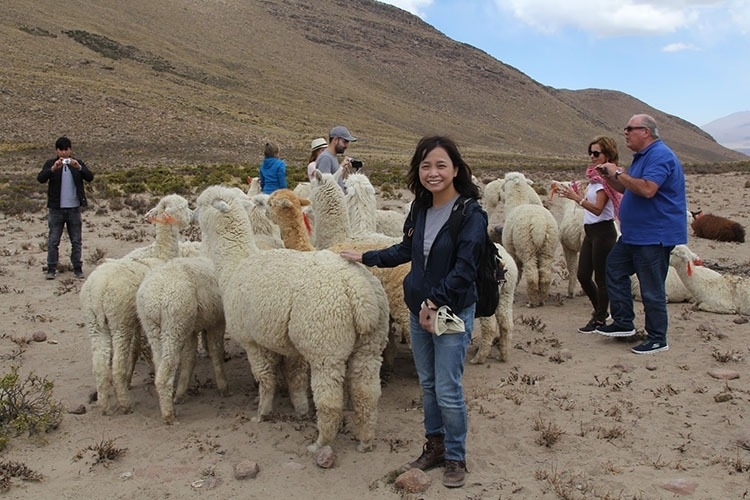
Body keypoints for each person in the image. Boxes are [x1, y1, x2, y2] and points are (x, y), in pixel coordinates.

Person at [339, 135, 486, 488]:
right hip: (419, 310)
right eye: (425, 166)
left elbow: (465, 269)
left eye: (440, 165)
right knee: (428, 384)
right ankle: (433, 446)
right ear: (417, 170)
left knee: (448, 387)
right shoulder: (421, 208)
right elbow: (407, 249)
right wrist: (366, 257)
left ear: (455, 169)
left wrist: (434, 303)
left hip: (449, 313)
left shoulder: (470, 213)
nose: (432, 173)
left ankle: (455, 455)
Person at [594, 114, 687, 354]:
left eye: (630, 128)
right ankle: (624, 322)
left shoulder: (660, 155)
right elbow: (627, 187)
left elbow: (647, 189)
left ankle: (658, 338)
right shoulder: (643, 157)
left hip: (653, 236)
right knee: (613, 268)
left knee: (651, 287)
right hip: (634, 235)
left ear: (645, 131)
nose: (625, 132)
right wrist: (609, 177)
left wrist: (617, 173)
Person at [557, 136, 622, 333]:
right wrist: (579, 194)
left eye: (596, 153)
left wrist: (576, 198)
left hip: (603, 232)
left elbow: (598, 209)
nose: (592, 157)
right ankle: (601, 312)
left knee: (600, 278)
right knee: (583, 275)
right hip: (591, 232)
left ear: (607, 155)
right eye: (590, 153)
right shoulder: (595, 179)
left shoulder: (605, 181)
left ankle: (600, 318)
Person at [37, 136, 95, 280]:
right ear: (56, 151)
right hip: (56, 209)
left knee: (76, 240)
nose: (64, 153)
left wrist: (79, 167)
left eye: (66, 150)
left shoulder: (77, 163)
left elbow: (90, 177)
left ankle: (77, 268)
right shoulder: (51, 163)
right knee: (53, 240)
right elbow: (40, 178)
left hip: (73, 209)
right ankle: (51, 268)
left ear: (70, 150)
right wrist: (52, 169)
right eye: (61, 150)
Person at [316, 125, 356, 189]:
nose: (346, 146)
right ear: (335, 140)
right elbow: (324, 186)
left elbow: (335, 181)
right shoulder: (326, 158)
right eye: (344, 142)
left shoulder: (332, 156)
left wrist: (343, 170)